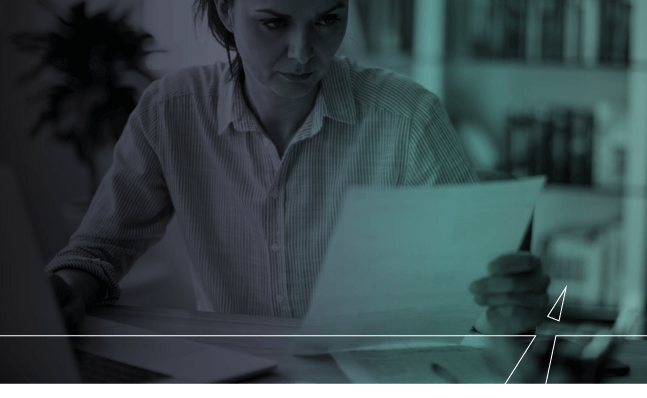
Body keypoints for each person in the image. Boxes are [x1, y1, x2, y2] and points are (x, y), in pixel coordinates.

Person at [46, 0, 550, 335]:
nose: (304, 53)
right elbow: (98, 250)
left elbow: (476, 302)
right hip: (233, 384)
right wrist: (66, 291)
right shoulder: (171, 111)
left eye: (328, 19)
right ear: (225, 10)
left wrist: (506, 307)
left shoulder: (407, 116)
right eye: (274, 22)